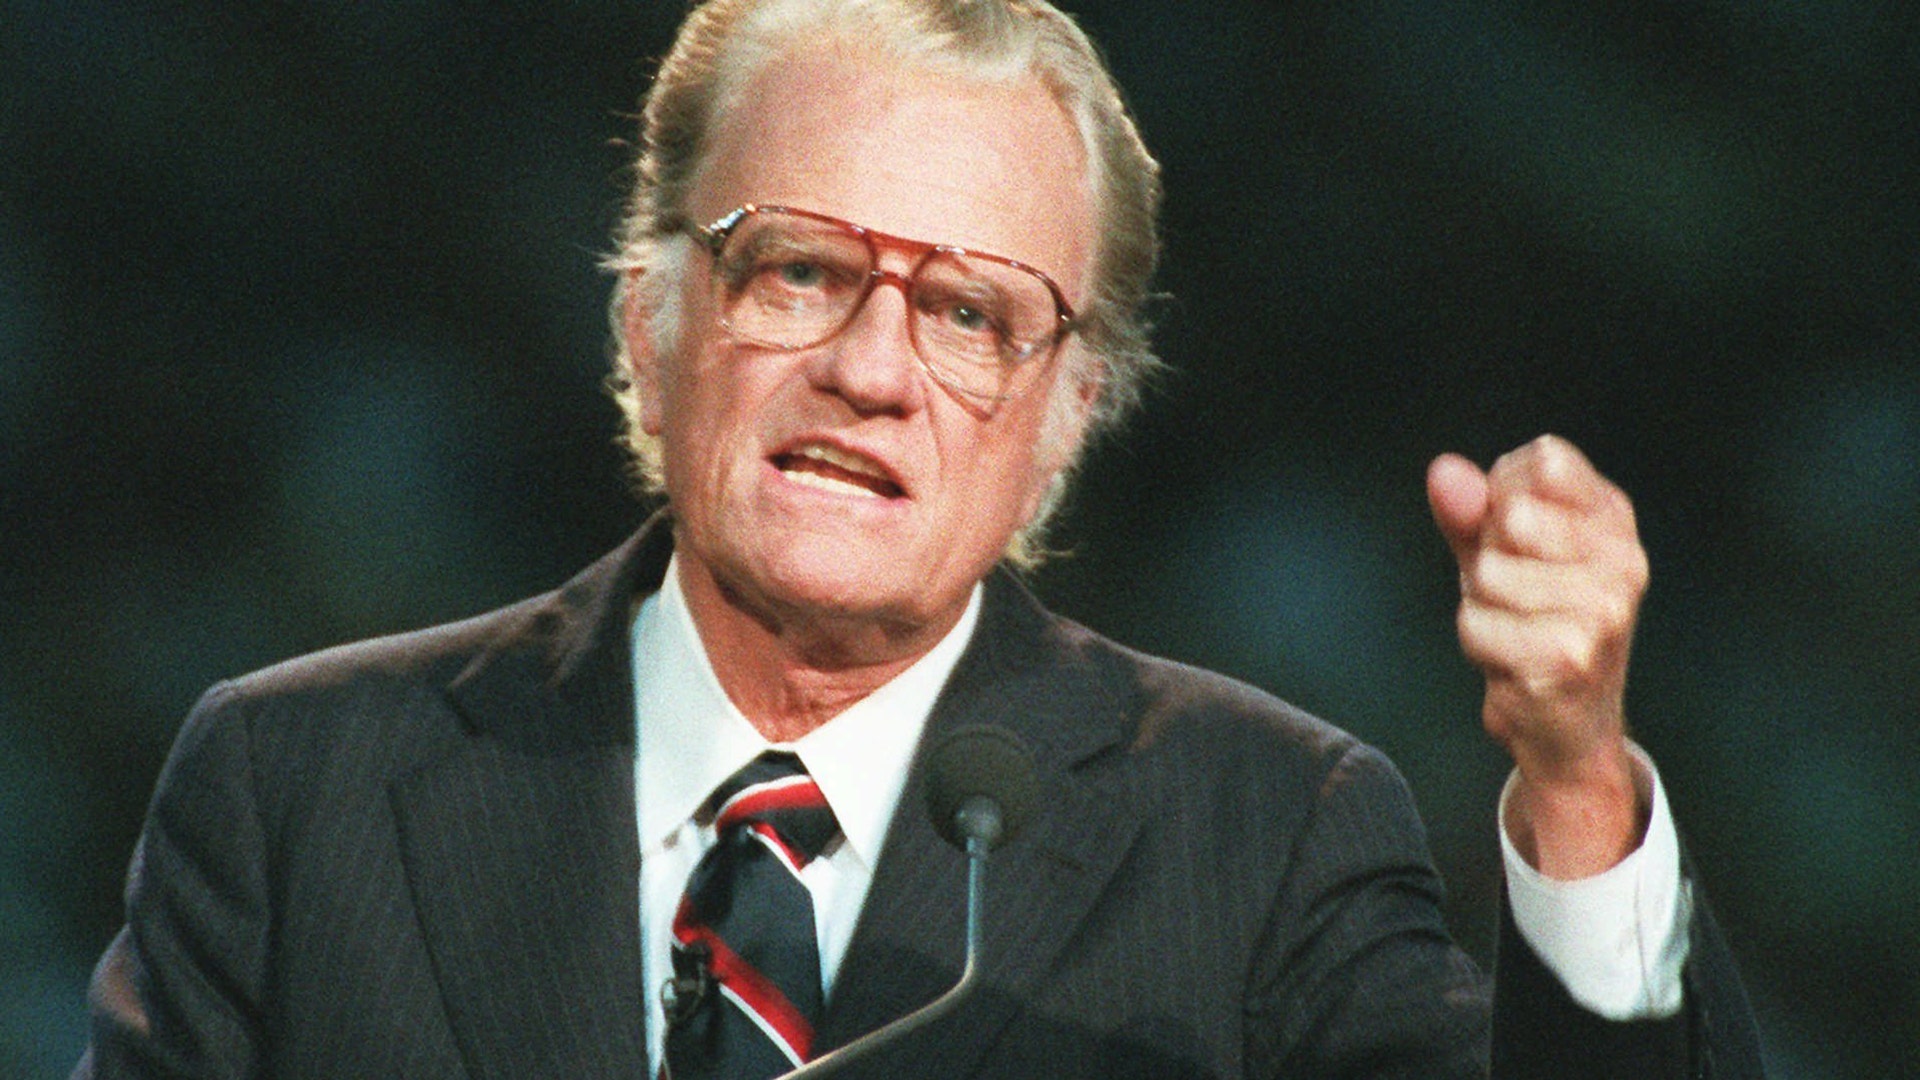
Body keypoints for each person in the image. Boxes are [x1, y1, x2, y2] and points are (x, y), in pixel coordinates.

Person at [74, 1, 1765, 1077]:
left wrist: (1575, 786)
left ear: (1064, 422)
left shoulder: (1264, 840)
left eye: (967, 312)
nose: (872, 369)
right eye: (799, 269)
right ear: (649, 325)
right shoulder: (298, 787)